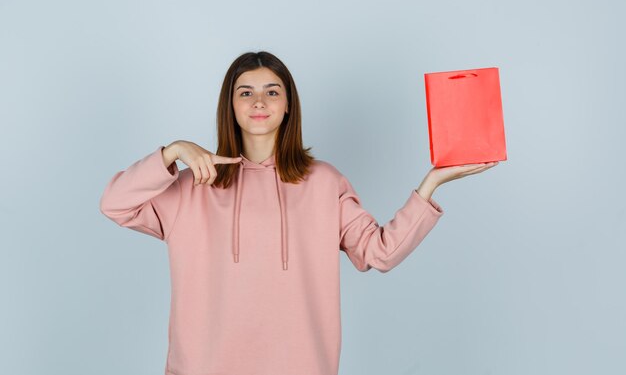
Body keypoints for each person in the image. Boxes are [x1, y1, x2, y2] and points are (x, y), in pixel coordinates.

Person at [99, 51, 498, 375]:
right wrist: (172, 151)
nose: (259, 102)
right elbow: (115, 203)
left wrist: (432, 183)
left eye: (272, 92)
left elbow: (380, 251)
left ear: (288, 105)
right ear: (230, 105)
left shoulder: (324, 183)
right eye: (245, 92)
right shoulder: (190, 186)